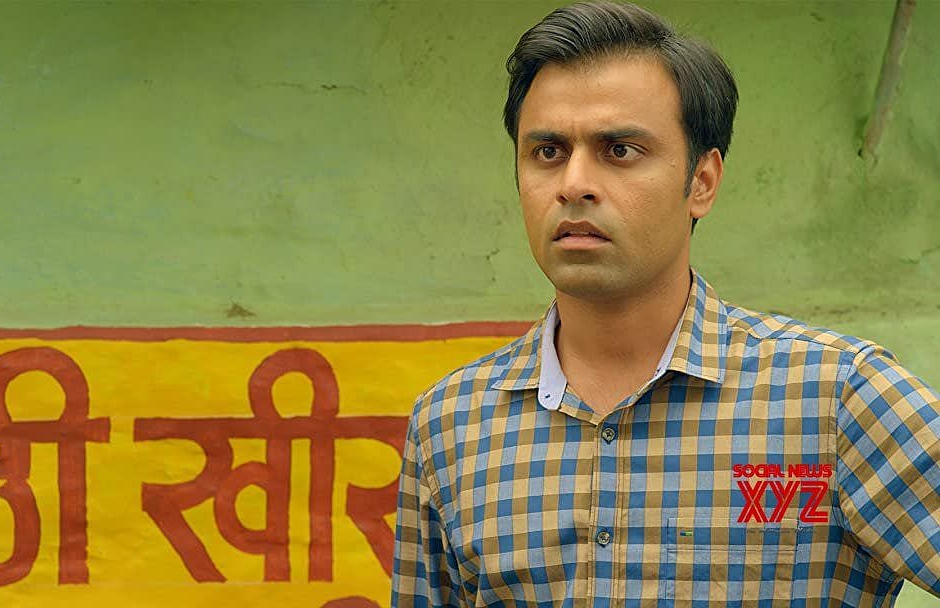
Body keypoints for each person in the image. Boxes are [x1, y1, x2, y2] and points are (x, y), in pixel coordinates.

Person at [390, 2, 940, 606]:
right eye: (547, 151)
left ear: (702, 182)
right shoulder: (451, 425)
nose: (574, 184)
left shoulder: (836, 397)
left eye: (620, 150)